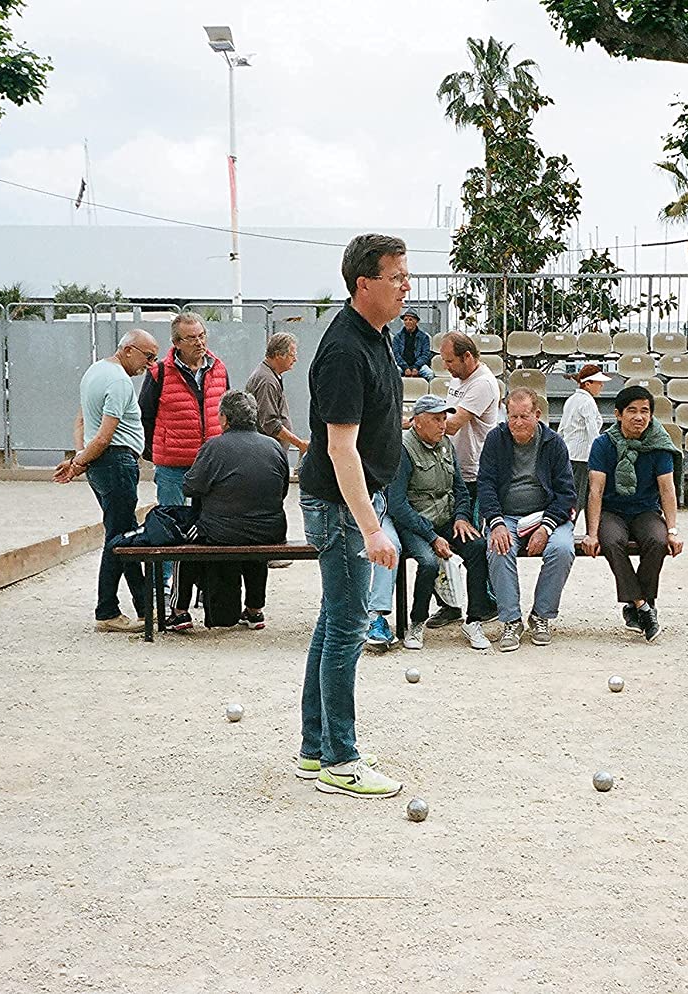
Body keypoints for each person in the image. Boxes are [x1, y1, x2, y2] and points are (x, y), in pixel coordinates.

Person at [294, 232, 408, 800]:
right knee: (347, 626)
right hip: (342, 507)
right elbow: (341, 448)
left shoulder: (377, 336)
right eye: (396, 276)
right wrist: (370, 527)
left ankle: (315, 749)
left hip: (354, 501)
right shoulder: (344, 349)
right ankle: (341, 758)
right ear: (364, 284)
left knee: (333, 619)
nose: (405, 285)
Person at [366, 394, 492, 651]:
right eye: (436, 419)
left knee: (478, 547)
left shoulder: (447, 444)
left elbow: (460, 489)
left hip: (446, 518)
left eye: (444, 418)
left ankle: (474, 619)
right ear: (418, 422)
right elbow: (398, 505)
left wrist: (461, 518)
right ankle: (417, 621)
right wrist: (432, 537)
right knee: (428, 561)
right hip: (415, 522)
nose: (443, 425)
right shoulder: (402, 449)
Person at [54, 328, 159, 633]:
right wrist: (77, 463)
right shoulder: (119, 382)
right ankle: (107, 610)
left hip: (101, 464)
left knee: (122, 533)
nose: (150, 365)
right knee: (119, 538)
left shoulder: (94, 371)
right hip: (116, 462)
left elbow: (81, 421)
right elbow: (103, 437)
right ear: (128, 349)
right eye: (148, 357)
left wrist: (80, 458)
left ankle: (144, 607)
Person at [170, 391, 289, 631]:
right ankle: (255, 610)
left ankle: (180, 611)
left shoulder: (214, 447)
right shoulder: (274, 447)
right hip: (270, 532)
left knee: (182, 542)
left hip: (221, 532)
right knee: (254, 542)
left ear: (224, 418)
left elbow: (190, 487)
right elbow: (282, 490)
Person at [477, 388, 577, 652]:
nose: (518, 423)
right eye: (512, 417)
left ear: (537, 414)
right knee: (498, 548)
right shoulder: (495, 439)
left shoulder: (553, 443)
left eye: (524, 416)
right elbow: (485, 484)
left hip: (547, 514)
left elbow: (567, 493)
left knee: (563, 549)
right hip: (507, 514)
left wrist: (546, 526)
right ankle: (511, 620)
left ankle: (541, 616)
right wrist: (496, 522)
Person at [581, 385, 683, 642]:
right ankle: (643, 606)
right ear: (618, 414)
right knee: (612, 541)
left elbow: (667, 489)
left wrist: (672, 530)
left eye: (645, 411)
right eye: (632, 411)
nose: (639, 417)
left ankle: (637, 605)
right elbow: (595, 491)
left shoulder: (659, 445)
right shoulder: (603, 444)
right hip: (611, 511)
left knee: (657, 541)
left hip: (645, 510)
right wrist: (592, 533)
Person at [139, 313, 228, 587]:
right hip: (173, 464)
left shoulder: (219, 368)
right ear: (176, 342)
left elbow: (227, 412)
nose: (199, 342)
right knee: (169, 522)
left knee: (209, 523)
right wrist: (156, 451)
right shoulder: (160, 373)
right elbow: (146, 415)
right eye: (191, 338)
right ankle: (165, 582)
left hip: (210, 463)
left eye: (202, 335)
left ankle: (203, 583)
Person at [429, 330, 502, 629]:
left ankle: (486, 604)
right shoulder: (458, 380)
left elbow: (453, 423)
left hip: (475, 475)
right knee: (436, 537)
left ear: (467, 357)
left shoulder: (483, 383)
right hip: (452, 470)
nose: (446, 366)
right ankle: (449, 604)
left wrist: (419, 421)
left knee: (471, 541)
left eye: (450, 361)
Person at [557, 363, 612, 515]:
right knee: (581, 500)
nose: (601, 386)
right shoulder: (588, 403)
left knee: (575, 498)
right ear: (588, 384)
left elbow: (561, 429)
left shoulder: (571, 400)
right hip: (583, 459)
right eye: (598, 383)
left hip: (570, 456)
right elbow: (593, 433)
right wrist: (600, 455)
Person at [244, 331, 309, 456]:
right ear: (279, 355)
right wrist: (299, 443)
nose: (295, 359)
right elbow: (270, 423)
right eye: (292, 354)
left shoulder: (269, 375)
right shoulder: (267, 381)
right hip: (266, 453)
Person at [392, 308, 434, 381]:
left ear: (416, 321)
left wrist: (416, 367)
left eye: (410, 319)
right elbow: (396, 354)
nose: (408, 322)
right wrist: (405, 367)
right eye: (405, 320)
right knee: (393, 373)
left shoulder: (424, 337)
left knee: (430, 374)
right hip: (402, 366)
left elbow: (425, 354)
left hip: (419, 365)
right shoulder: (397, 337)